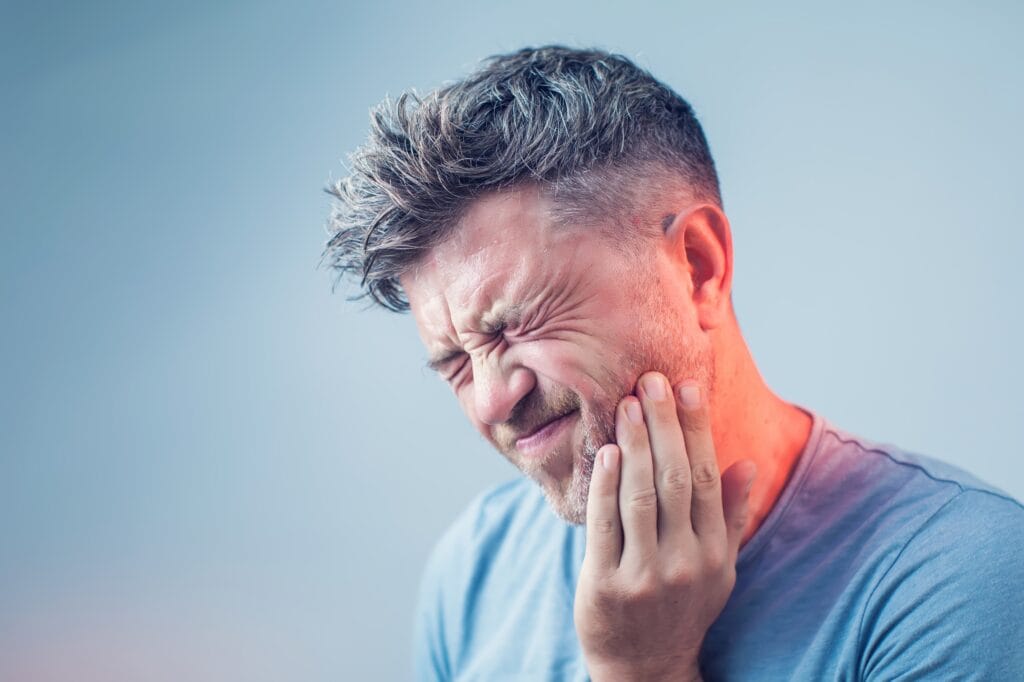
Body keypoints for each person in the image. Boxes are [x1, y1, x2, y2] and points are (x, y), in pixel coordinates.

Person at [324, 45, 1024, 681]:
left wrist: (644, 671)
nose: (489, 401)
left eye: (516, 324)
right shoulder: (474, 571)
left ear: (698, 268)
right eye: (453, 363)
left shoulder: (964, 583)